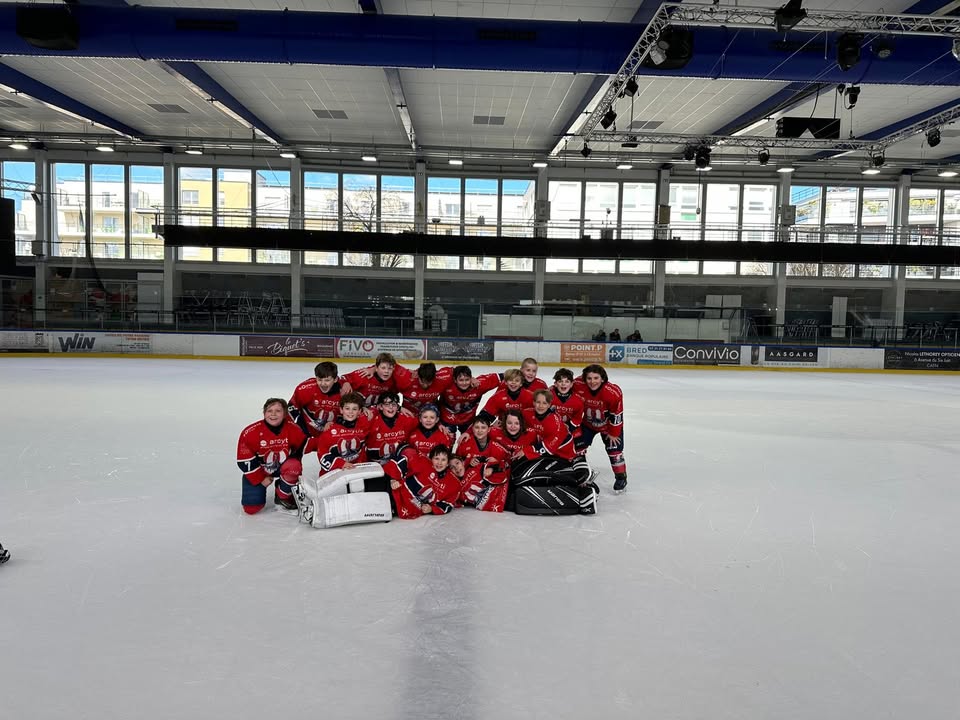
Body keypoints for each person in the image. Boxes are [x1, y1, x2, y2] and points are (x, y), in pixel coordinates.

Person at [236, 397, 310, 514]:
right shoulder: (250, 432)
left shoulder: (293, 429)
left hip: (283, 467)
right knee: (252, 509)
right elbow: (244, 461)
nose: (273, 414)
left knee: (294, 466)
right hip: (259, 469)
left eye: (278, 411)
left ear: (285, 414)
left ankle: (282, 496)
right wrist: (260, 479)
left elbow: (306, 444)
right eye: (269, 411)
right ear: (264, 413)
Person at [574, 364, 627, 493]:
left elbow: (617, 414)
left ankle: (621, 477)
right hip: (588, 424)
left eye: (596, 378)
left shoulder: (612, 392)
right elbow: (562, 386)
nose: (592, 382)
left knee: (614, 450)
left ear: (603, 378)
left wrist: (614, 433)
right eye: (589, 378)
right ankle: (581, 473)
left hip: (608, 426)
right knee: (577, 447)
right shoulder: (578, 385)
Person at [384, 445, 460, 519]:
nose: (439, 463)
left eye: (443, 460)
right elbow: (403, 462)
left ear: (447, 463)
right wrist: (393, 479)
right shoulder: (423, 462)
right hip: (394, 494)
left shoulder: (453, 483)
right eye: (436, 458)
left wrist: (431, 509)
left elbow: (448, 505)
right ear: (431, 458)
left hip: (408, 510)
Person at [315, 392, 373, 474]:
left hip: (358, 472)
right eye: (347, 408)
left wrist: (366, 409)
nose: (350, 412)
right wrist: (341, 464)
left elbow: (381, 410)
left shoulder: (364, 424)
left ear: (359, 411)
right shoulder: (330, 430)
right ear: (341, 410)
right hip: (335, 474)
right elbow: (322, 454)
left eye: (354, 409)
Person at [288, 361, 346, 437]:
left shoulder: (344, 392)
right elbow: (291, 409)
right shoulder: (305, 389)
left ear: (335, 379)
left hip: (333, 434)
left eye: (327, 380)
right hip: (306, 431)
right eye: (319, 380)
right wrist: (287, 430)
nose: (323, 384)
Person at [439, 365, 500, 435]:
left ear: (471, 379)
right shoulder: (446, 385)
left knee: (472, 439)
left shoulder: (479, 384)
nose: (464, 383)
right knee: (445, 439)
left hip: (468, 421)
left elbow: (503, 377)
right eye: (461, 380)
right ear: (455, 380)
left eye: (467, 380)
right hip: (447, 419)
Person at [366, 391, 418, 466]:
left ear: (398, 407)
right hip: (375, 465)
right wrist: (364, 408)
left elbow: (425, 423)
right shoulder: (371, 419)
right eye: (387, 404)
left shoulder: (407, 419)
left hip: (397, 465)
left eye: (394, 404)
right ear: (380, 406)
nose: (391, 407)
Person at [550, 368, 585, 436]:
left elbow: (577, 418)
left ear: (571, 384)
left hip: (570, 431)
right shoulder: (548, 396)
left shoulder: (578, 400)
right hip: (551, 429)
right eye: (560, 381)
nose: (563, 384)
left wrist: (568, 428)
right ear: (555, 384)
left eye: (567, 381)